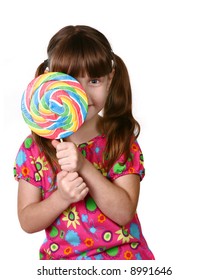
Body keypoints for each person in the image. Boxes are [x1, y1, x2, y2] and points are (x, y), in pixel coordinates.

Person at [14, 25, 155, 260]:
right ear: (50, 81)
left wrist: (83, 166)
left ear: (110, 80)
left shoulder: (120, 140)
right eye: (71, 81)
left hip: (122, 260)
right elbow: (27, 221)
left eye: (95, 81)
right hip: (63, 265)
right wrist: (61, 198)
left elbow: (124, 212)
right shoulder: (34, 149)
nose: (84, 95)